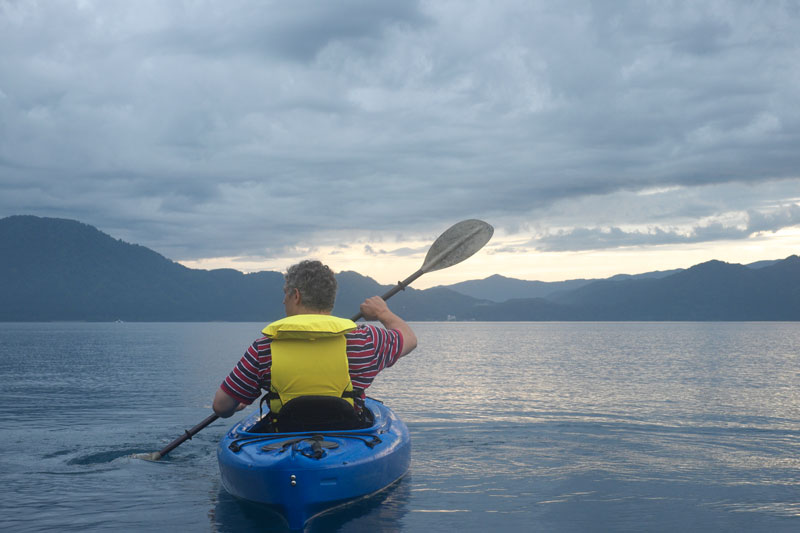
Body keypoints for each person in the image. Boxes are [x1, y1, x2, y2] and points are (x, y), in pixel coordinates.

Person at [212, 259, 417, 428]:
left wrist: (235, 406)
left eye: (286, 293)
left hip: (283, 437)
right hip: (347, 436)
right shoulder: (365, 339)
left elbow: (221, 406)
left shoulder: (264, 347)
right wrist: (383, 312)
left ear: (296, 295)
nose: (284, 301)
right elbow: (409, 339)